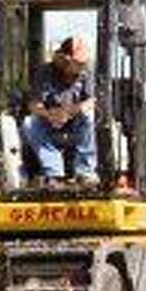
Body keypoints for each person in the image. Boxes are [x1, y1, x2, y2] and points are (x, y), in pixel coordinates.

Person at [21, 36, 98, 185]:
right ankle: (54, 172)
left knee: (89, 117)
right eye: (78, 63)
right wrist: (49, 115)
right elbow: (34, 104)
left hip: (75, 124)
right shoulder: (45, 72)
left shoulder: (86, 72)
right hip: (50, 124)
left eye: (84, 62)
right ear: (65, 59)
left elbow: (92, 100)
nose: (82, 66)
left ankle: (85, 172)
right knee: (29, 123)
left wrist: (70, 112)